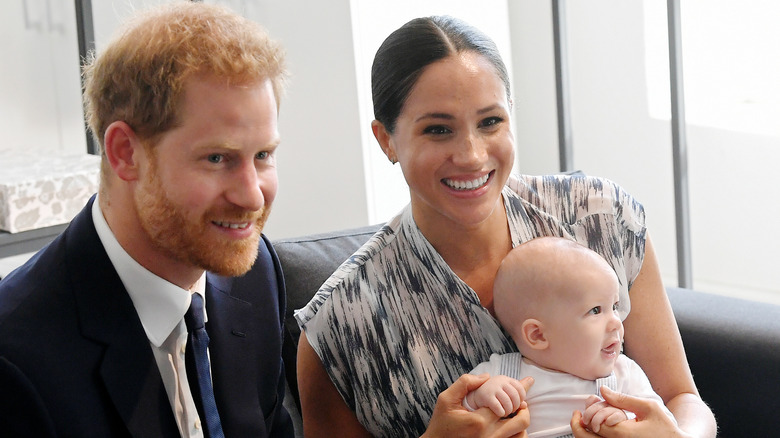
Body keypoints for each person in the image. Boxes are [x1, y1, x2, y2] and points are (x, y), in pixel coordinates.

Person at [295, 15, 716, 438]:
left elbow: (682, 397)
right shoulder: (340, 325)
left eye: (490, 122)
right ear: (386, 139)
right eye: (438, 130)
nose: (472, 156)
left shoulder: (600, 218)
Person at [0, 3, 293, 437]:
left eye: (263, 155)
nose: (251, 196)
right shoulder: (15, 360)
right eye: (217, 158)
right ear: (125, 153)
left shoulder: (255, 274)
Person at [463, 237, 676, 437]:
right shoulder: (500, 375)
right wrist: (478, 398)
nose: (616, 322)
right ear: (537, 335)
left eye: (615, 307)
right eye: (595, 310)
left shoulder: (625, 374)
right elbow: (457, 419)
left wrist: (626, 418)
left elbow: (663, 425)